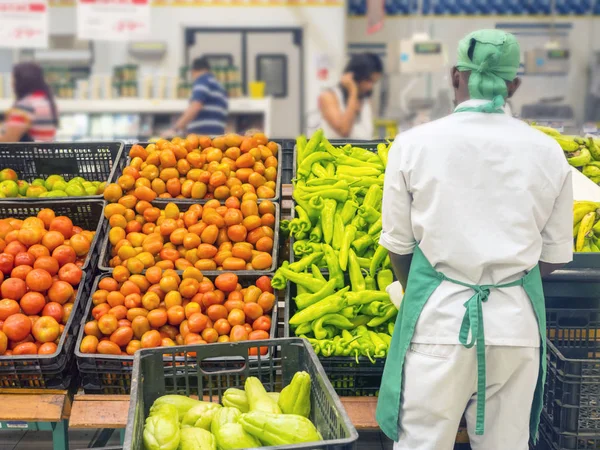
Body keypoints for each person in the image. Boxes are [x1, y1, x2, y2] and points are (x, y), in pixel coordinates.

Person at [376, 30, 573, 450]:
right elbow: (555, 255)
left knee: (423, 443)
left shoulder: (412, 145)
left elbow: (398, 244)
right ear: (513, 86)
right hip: (515, 327)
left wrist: (426, 292)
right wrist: (504, 283)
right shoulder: (548, 152)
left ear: (454, 76)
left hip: (439, 323)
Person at [318, 53, 382, 139]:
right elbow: (344, 131)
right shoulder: (328, 96)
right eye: (368, 80)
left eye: (374, 82)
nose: (370, 86)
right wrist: (353, 91)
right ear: (355, 76)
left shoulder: (365, 99)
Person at [166, 56, 228, 137]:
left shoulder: (202, 81)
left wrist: (175, 129)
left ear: (193, 71)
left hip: (203, 138)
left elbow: (195, 106)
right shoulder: (219, 85)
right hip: (217, 137)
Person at [0, 62, 58, 142]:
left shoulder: (26, 105)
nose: (11, 84)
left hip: (28, 153)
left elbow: (8, 141)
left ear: (20, 81)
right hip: (43, 153)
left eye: (14, 79)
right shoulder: (45, 101)